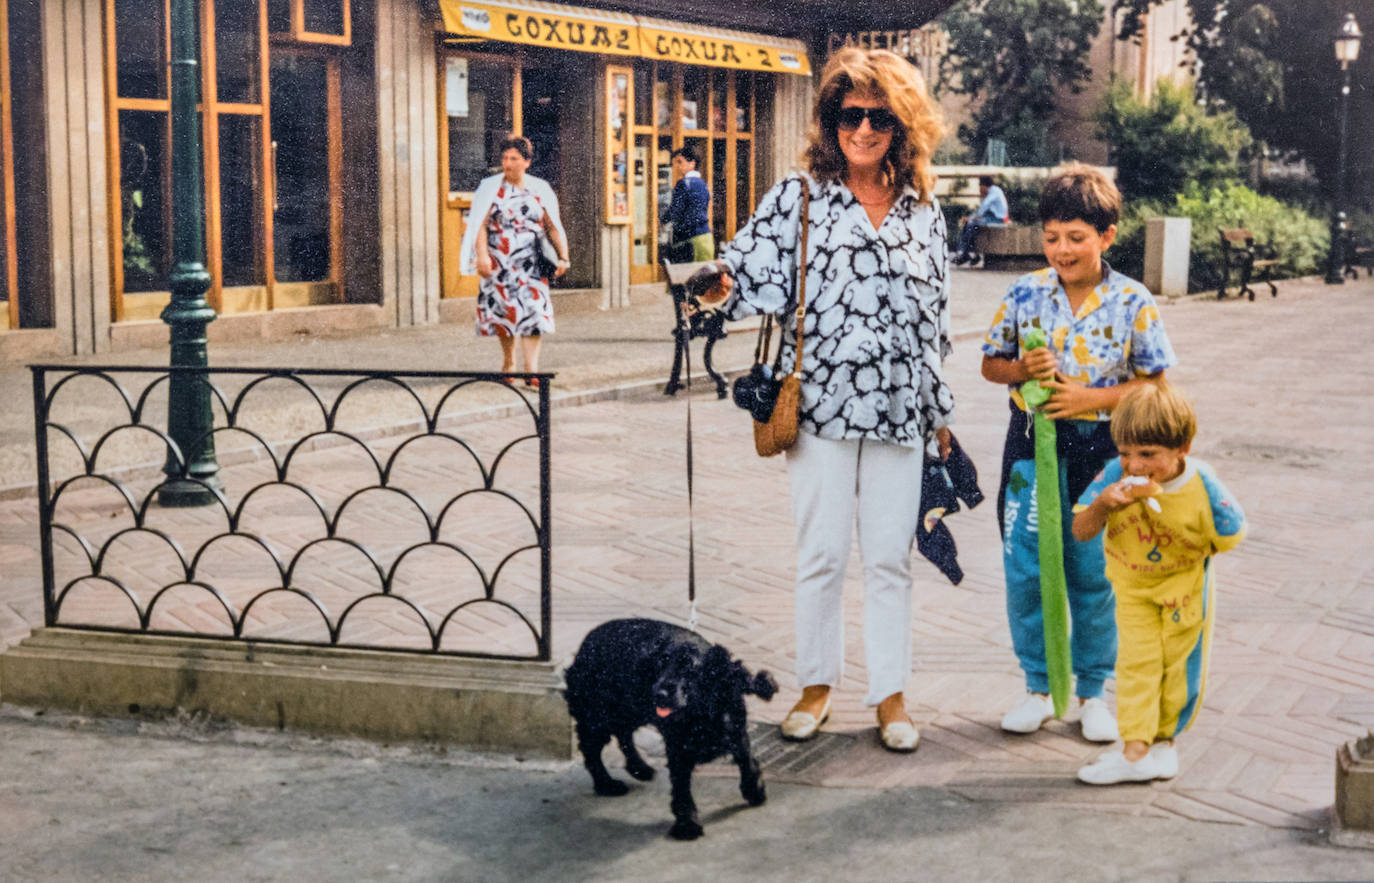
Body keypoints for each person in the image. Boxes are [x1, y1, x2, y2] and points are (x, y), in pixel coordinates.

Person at [695, 47, 953, 753]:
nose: (863, 129)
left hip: (901, 413)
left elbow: (937, 326)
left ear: (901, 126)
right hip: (820, 410)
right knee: (822, 554)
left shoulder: (924, 210)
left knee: (891, 560)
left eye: (878, 116)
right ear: (831, 120)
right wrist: (716, 280)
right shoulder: (799, 196)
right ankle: (817, 686)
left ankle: (891, 696)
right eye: (850, 115)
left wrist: (941, 419)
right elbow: (745, 269)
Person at [980, 163, 1176, 743]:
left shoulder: (1132, 300)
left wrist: (1092, 396)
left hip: (1101, 453)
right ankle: (1039, 688)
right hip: (1029, 450)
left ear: (1107, 236)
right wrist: (1022, 369)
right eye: (1052, 237)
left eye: (1076, 238)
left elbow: (1155, 383)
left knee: (1094, 573)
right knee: (1027, 569)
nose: (1061, 250)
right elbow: (991, 364)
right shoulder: (1024, 292)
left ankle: (1092, 692)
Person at [1072, 382, 1246, 784]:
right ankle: (1135, 751)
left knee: (1179, 668)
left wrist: (1189, 553)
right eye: (1125, 452)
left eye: (1148, 454)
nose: (1134, 465)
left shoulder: (1202, 483)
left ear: (1182, 449)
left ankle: (1165, 744)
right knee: (1136, 666)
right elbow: (1081, 529)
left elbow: (1231, 533)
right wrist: (1103, 504)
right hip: (1133, 589)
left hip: (1184, 591)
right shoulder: (1115, 475)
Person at [460, 135, 569, 388]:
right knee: (504, 312)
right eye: (505, 158)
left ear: (527, 162)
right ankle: (509, 362)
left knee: (534, 312)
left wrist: (564, 255)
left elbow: (553, 225)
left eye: (514, 159)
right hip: (499, 259)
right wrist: (482, 255)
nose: (508, 164)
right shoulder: (490, 187)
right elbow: (479, 225)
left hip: (532, 260)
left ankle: (532, 370)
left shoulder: (540, 188)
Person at [663, 146, 713, 263]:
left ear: (692, 164)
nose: (677, 166)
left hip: (689, 240)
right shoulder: (703, 184)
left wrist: (662, 220)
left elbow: (675, 210)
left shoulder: (683, 184)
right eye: (675, 163)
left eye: (680, 162)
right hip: (706, 237)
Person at [952, 174, 1008, 266]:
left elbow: (983, 208)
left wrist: (969, 218)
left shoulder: (994, 192)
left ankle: (967, 254)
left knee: (970, 224)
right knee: (970, 224)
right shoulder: (992, 191)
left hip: (997, 220)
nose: (979, 189)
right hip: (992, 218)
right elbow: (982, 211)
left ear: (984, 185)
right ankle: (969, 254)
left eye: (979, 186)